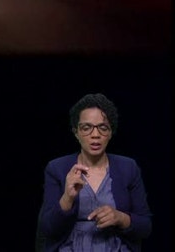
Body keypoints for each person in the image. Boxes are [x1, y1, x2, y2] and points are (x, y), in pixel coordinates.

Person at [38, 93, 152, 251]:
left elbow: (145, 227)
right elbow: (47, 229)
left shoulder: (128, 167)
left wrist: (120, 218)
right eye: (86, 128)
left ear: (110, 132)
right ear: (76, 132)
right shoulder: (57, 168)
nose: (95, 135)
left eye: (103, 128)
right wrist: (67, 198)